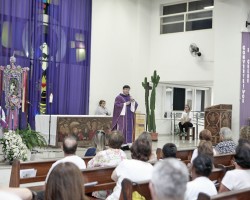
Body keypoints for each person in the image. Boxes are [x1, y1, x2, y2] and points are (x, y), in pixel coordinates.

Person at [106, 132, 153, 200]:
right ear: (149, 153)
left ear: (133, 150)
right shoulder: (151, 168)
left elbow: (113, 177)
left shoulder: (125, 163)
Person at [87, 131, 127, 199]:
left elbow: (89, 167)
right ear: (121, 143)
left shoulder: (101, 154)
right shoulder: (123, 155)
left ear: (108, 141)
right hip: (116, 189)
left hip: (101, 190)